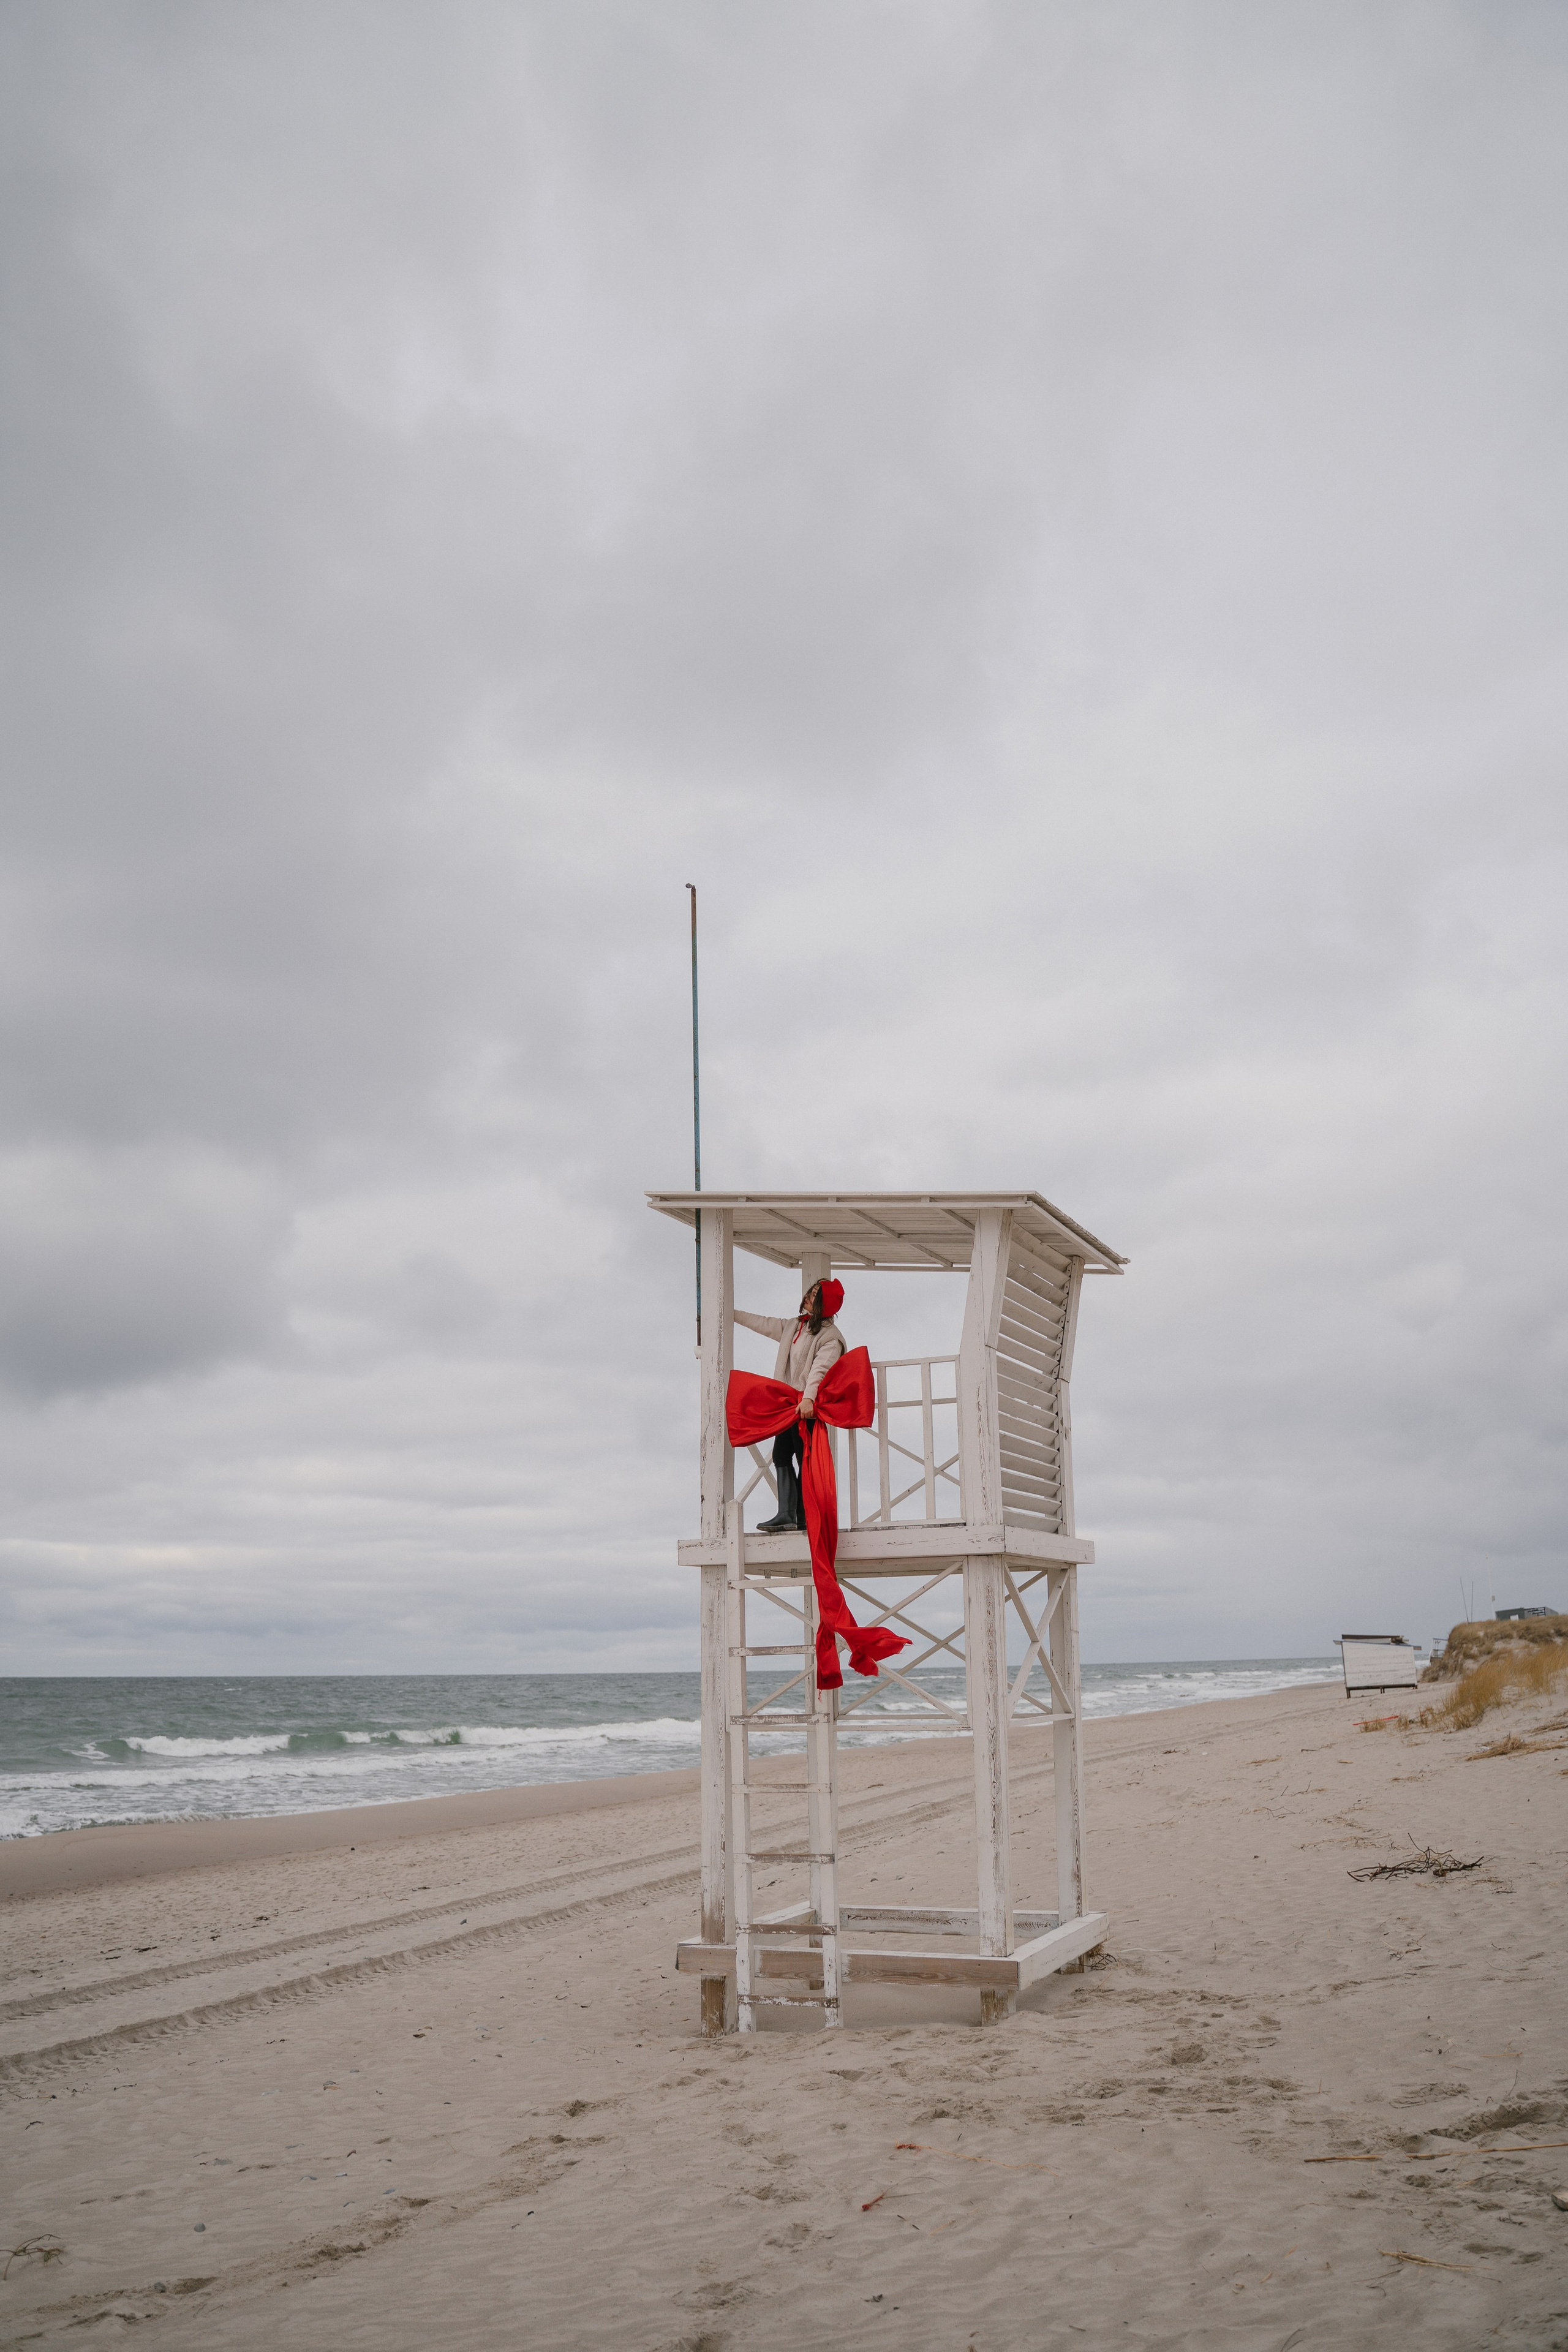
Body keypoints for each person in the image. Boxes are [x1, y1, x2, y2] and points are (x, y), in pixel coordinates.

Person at [734, 1278, 846, 1532]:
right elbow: (763, 1323)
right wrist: (731, 1314)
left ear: (824, 1304)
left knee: (801, 1457)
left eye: (815, 1295)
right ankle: (789, 1514)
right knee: (782, 1455)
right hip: (789, 1404)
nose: (808, 1296)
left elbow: (821, 1369)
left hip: (807, 1407)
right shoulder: (795, 1326)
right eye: (811, 1291)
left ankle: (799, 1515)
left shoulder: (831, 1337)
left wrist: (809, 1397)